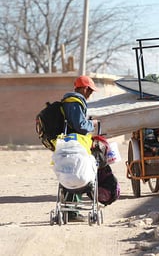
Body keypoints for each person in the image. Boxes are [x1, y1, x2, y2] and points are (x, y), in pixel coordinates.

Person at [61, 75, 98, 221]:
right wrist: (92, 124)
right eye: (89, 91)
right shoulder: (75, 102)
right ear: (83, 88)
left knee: (69, 175)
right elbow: (80, 126)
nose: (90, 94)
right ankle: (72, 213)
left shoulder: (68, 101)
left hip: (68, 144)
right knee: (77, 175)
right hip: (74, 145)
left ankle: (69, 210)